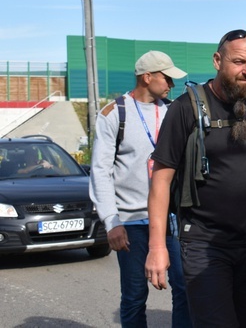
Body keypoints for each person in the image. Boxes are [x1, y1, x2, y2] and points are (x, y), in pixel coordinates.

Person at [145, 30, 246, 328]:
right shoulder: (185, 109)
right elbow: (161, 181)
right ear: (218, 60)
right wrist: (157, 247)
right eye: (239, 62)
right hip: (204, 243)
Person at [89, 50, 191, 328]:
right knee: (135, 297)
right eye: (167, 78)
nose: (171, 84)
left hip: (172, 220)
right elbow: (100, 171)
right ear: (147, 77)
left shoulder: (172, 111)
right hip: (131, 222)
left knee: (185, 290)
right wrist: (112, 222)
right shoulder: (114, 114)